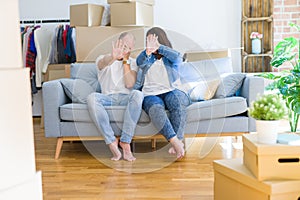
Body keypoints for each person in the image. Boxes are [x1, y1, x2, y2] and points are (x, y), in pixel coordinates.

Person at [134, 27, 191, 159]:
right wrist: (148, 51)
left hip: (170, 90)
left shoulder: (170, 57)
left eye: (154, 39)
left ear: (161, 40)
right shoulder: (146, 58)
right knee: (155, 108)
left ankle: (179, 140)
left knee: (178, 102)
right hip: (150, 94)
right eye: (148, 40)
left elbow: (178, 57)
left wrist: (159, 48)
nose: (151, 42)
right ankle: (175, 142)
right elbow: (139, 62)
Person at [87, 32, 144, 161]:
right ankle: (111, 142)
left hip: (126, 98)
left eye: (130, 47)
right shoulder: (103, 58)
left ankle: (125, 142)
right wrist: (113, 57)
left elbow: (130, 84)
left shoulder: (133, 63)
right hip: (107, 98)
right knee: (92, 98)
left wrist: (125, 61)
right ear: (118, 42)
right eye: (124, 46)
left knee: (138, 94)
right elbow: (103, 63)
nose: (127, 50)